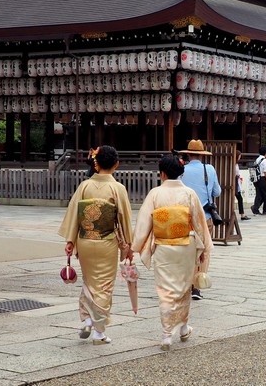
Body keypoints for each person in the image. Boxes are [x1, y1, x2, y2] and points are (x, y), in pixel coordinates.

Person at [132, 154, 212, 352]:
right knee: (184, 288)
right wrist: (204, 248)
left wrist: (135, 246)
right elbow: (199, 224)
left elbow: (144, 224)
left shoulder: (155, 194)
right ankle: (183, 328)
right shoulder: (189, 193)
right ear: (181, 174)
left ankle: (167, 334)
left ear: (163, 173)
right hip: (186, 245)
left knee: (166, 290)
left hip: (163, 245)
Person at [58, 145, 134, 345]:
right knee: (104, 285)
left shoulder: (84, 186)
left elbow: (74, 214)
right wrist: (128, 245)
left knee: (89, 282)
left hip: (84, 240)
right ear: (116, 165)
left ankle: (86, 318)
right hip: (106, 241)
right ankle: (99, 332)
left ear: (96, 163)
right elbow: (124, 218)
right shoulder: (117, 188)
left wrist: (70, 240)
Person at [178, 139, 219, 300]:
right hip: (205, 216)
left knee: (186, 250)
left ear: (188, 154)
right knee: (205, 251)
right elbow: (217, 191)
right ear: (202, 155)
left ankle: (186, 283)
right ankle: (198, 286)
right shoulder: (209, 169)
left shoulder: (181, 170)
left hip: (185, 217)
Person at [250, 146, 266, 216]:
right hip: (263, 179)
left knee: (259, 195)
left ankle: (255, 208)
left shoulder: (257, 159)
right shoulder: (265, 160)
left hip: (257, 179)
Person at [234, 151, 249, 220]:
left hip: (236, 181)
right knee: (239, 198)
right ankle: (242, 214)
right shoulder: (234, 164)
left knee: (239, 198)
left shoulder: (235, 163)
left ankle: (242, 214)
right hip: (235, 182)